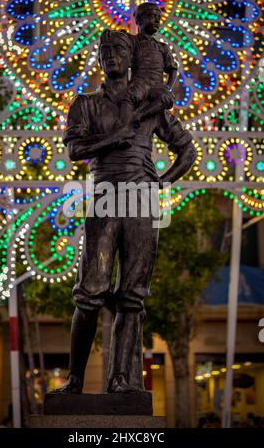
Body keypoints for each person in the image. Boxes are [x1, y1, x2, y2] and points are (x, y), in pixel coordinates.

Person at [59, 28, 196, 394]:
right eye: (105, 51)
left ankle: (121, 379)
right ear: (99, 59)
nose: (112, 56)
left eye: (119, 50)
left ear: (132, 57)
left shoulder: (150, 105)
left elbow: (188, 150)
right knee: (90, 291)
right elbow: (74, 151)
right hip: (104, 195)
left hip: (140, 199)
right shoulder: (85, 103)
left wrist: (162, 183)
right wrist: (110, 140)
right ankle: (74, 379)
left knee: (132, 296)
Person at [119, 2, 179, 127]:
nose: (157, 20)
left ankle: (139, 115)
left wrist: (167, 87)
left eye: (159, 18)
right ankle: (123, 126)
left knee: (167, 99)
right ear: (140, 20)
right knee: (127, 97)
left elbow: (172, 69)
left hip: (157, 86)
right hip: (139, 84)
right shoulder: (132, 41)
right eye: (152, 16)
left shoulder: (162, 47)